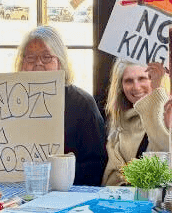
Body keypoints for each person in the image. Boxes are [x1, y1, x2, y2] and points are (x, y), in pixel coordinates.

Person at [14, 26, 108, 186]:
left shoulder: (82, 103)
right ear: (22, 63)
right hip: (17, 191)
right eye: (30, 58)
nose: (38, 64)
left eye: (46, 57)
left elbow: (96, 164)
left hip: (69, 193)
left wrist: (58, 175)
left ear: (60, 62)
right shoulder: (9, 101)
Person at [101, 60, 168, 185]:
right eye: (129, 81)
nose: (136, 87)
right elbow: (112, 179)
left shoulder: (171, 116)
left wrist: (157, 96)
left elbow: (166, 152)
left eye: (143, 78)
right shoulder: (119, 125)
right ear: (121, 86)